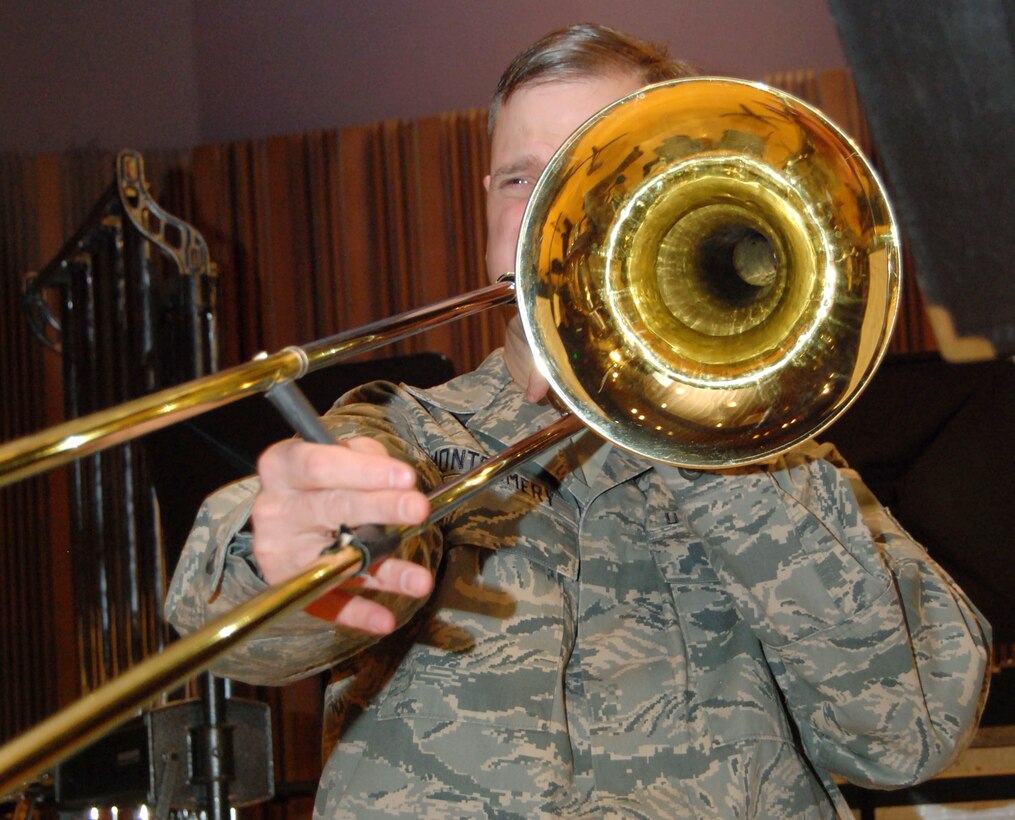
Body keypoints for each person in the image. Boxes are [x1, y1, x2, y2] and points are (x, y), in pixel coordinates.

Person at [166, 23, 990, 819]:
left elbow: (908, 734)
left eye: (592, 172)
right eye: (519, 179)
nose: (544, 215)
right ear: (484, 205)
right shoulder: (398, 427)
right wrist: (275, 556)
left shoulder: (780, 462)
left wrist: (706, 423)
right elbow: (239, 631)